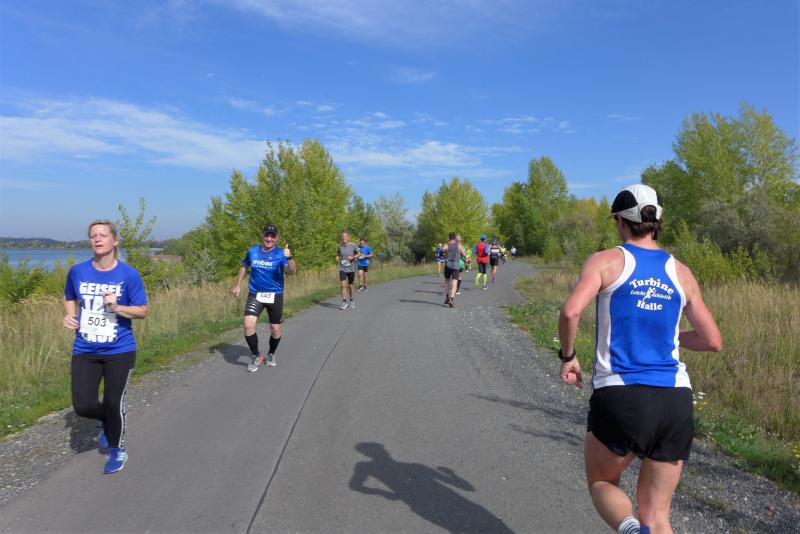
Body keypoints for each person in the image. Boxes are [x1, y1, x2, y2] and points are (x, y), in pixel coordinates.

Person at [557, 184, 722, 534]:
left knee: (602, 482)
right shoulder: (682, 272)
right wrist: (670, 336)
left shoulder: (605, 261)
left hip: (622, 394)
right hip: (675, 400)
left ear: (620, 221)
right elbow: (712, 341)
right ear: (657, 222)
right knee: (658, 516)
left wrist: (568, 356)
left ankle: (630, 529)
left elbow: (571, 312)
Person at [63, 219, 148, 474]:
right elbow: (69, 296)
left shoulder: (128, 274)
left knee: (113, 402)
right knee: (83, 406)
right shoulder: (78, 272)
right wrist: (70, 315)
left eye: (102, 234)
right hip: (85, 349)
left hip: (119, 350)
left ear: (115, 240)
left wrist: (117, 307)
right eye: (93, 235)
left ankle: (116, 450)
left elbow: (142, 311)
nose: (97, 239)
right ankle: (106, 420)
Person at [232, 224, 296, 372]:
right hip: (255, 294)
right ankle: (256, 356)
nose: (269, 239)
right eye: (267, 235)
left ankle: (271, 354)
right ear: (262, 235)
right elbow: (244, 266)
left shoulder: (280, 254)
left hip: (275, 294)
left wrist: (290, 257)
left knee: (275, 329)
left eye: (272, 236)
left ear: (277, 238)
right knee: (248, 325)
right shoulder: (252, 251)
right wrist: (237, 285)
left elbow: (291, 271)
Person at [442, 232, 465, 308]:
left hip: (448, 265)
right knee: (455, 282)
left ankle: (447, 296)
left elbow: (442, 251)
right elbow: (464, 254)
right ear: (455, 237)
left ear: (449, 237)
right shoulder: (458, 245)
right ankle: (451, 299)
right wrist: (466, 258)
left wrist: (444, 253)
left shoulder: (446, 245)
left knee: (447, 281)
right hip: (456, 266)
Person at [337, 232, 359, 310]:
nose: (344, 238)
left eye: (345, 236)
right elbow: (338, 254)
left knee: (350, 285)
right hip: (342, 268)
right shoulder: (340, 246)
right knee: (343, 284)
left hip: (351, 268)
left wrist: (353, 257)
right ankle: (344, 302)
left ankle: (351, 300)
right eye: (343, 237)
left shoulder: (353, 245)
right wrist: (337, 257)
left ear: (348, 238)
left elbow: (359, 254)